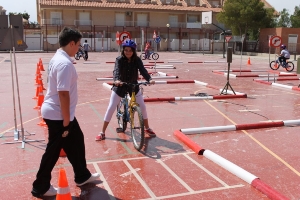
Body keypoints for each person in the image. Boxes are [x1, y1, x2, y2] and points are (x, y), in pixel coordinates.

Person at [31, 27, 100, 198]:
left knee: (76, 140)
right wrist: (67, 121)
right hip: (58, 114)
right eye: (78, 45)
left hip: (58, 112)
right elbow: (63, 93)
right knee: (53, 151)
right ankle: (40, 187)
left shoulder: (58, 58)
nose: (79, 48)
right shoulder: (64, 64)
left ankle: (82, 176)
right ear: (71, 43)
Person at [95, 39, 156, 141]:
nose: (128, 52)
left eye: (130, 50)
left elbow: (143, 70)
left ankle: (147, 128)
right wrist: (117, 80)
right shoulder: (119, 60)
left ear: (134, 51)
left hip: (133, 86)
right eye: (126, 50)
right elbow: (116, 71)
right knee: (111, 108)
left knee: (143, 107)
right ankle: (102, 132)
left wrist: (149, 79)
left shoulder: (137, 60)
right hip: (120, 86)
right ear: (123, 50)